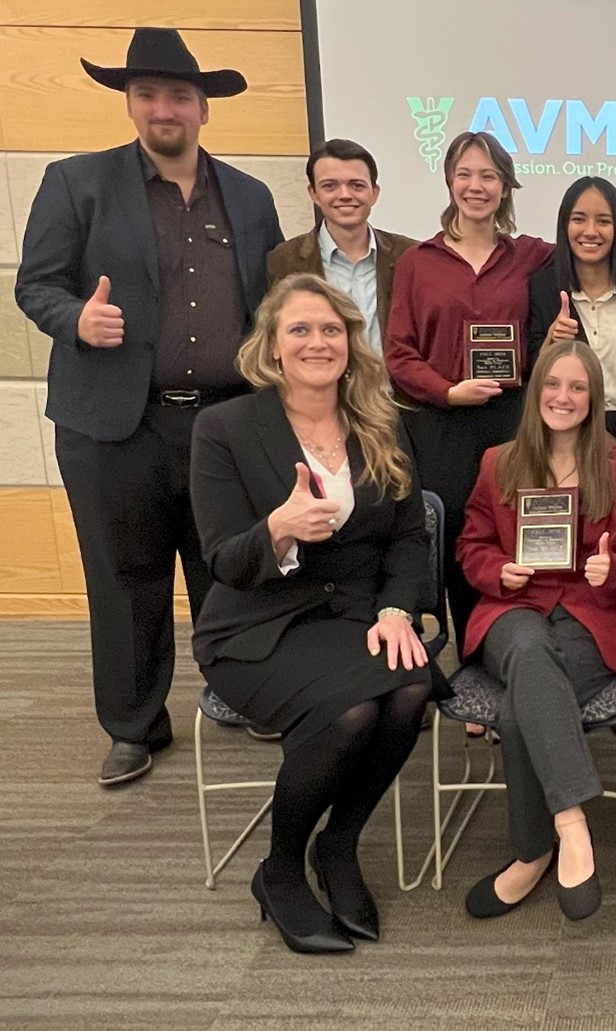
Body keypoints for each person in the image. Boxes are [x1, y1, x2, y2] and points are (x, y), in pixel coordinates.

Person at [13, 27, 284, 786]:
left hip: (224, 421)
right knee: (123, 575)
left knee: (228, 569)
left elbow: (269, 306)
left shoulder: (252, 197)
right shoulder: (77, 183)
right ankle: (134, 725)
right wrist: (77, 321)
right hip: (112, 422)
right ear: (130, 105)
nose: (163, 108)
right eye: (147, 95)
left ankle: (241, 693)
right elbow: (35, 284)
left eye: (178, 95)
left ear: (204, 108)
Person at [189, 274, 434, 954]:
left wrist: (394, 606)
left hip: (355, 616)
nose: (317, 341)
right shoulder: (225, 428)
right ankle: (279, 868)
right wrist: (279, 528)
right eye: (299, 329)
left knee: (410, 689)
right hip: (254, 628)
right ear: (271, 346)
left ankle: (340, 844)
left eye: (331, 329)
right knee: (352, 714)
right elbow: (222, 559)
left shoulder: (379, 423)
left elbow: (410, 535)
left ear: (350, 344)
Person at [385, 132, 616, 654]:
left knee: (519, 538)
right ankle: (474, 655)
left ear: (506, 185)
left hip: (515, 419)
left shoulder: (531, 254)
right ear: (448, 180)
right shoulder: (419, 262)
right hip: (443, 424)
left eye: (488, 175)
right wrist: (447, 391)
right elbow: (399, 355)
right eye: (465, 174)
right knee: (460, 540)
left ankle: (528, 647)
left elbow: (593, 250)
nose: (476, 186)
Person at [455, 340, 616, 923]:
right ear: (536, 389)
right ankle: (572, 825)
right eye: (553, 384)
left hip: (592, 615)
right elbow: (471, 547)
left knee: (523, 706)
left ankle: (532, 851)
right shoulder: (499, 461)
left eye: (577, 387)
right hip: (511, 608)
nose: (563, 397)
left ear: (593, 399)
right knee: (525, 646)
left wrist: (614, 568)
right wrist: (499, 570)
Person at [527, 176, 616, 457]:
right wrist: (552, 341)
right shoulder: (543, 289)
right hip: (563, 439)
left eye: (603, 221)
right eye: (579, 219)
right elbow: (532, 368)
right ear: (564, 225)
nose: (590, 231)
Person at [266, 138, 418, 354]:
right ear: (314, 194)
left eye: (357, 185)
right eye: (330, 186)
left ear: (374, 193)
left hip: (392, 387)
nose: (345, 195)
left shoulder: (409, 255)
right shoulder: (283, 261)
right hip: (319, 386)